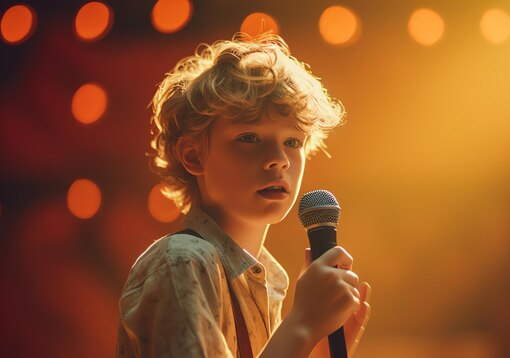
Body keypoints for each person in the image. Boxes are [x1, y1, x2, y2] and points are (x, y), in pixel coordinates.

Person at [116, 32, 371, 358]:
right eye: (249, 137)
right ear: (193, 155)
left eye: (293, 142)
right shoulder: (181, 261)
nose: (278, 158)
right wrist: (302, 325)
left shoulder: (264, 286)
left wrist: (313, 348)